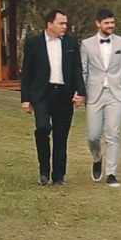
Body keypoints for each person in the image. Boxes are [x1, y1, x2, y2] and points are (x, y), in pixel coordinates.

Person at [21, 10, 86, 186]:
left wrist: (81, 93)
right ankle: (44, 172)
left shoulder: (71, 42)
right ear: (50, 24)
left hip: (64, 94)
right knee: (42, 128)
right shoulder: (34, 43)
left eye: (66, 23)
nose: (65, 26)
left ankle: (58, 176)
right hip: (42, 94)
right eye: (61, 23)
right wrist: (25, 99)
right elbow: (26, 72)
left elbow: (76, 69)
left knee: (61, 135)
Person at [80, 8, 121, 188]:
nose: (110, 26)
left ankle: (111, 173)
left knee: (113, 134)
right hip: (94, 93)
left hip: (116, 93)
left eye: (112, 23)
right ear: (98, 24)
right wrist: (79, 92)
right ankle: (97, 156)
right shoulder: (87, 44)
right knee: (93, 136)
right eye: (107, 23)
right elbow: (84, 70)